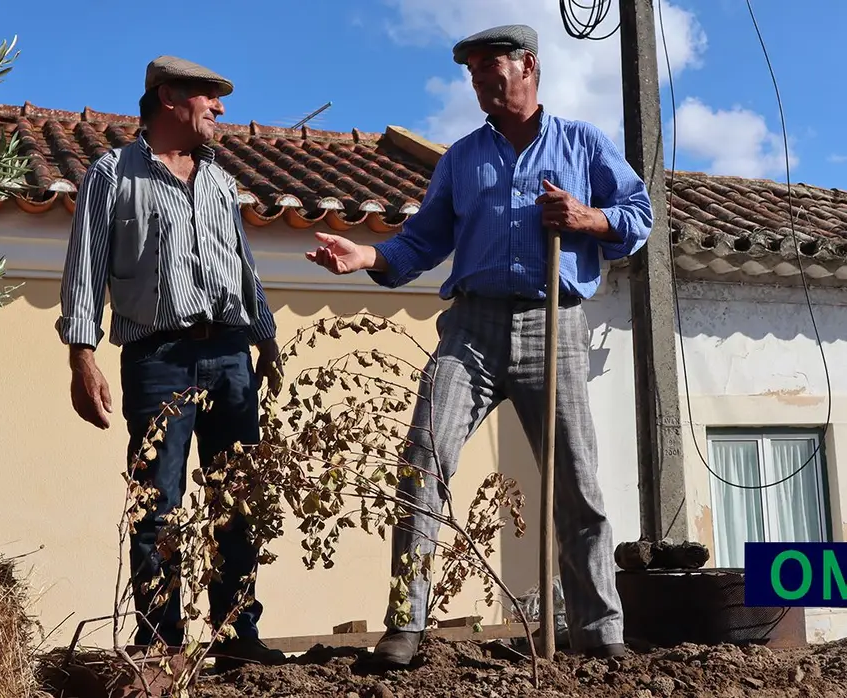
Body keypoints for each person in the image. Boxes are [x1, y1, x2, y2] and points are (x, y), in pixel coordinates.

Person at [305, 24, 653, 666]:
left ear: (529, 68)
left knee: (577, 482)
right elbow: (421, 241)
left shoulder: (583, 143)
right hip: (472, 329)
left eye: (492, 69)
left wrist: (587, 219)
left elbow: (638, 217)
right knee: (423, 459)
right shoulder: (462, 159)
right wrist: (368, 256)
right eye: (472, 74)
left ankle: (601, 633)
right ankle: (405, 627)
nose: (481, 83)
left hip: (556, 322)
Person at [56, 55, 285, 671]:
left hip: (230, 353)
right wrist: (83, 356)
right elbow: (85, 270)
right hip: (158, 358)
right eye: (210, 97)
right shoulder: (111, 176)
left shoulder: (218, 180)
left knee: (237, 496)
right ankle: (161, 644)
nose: (220, 108)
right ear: (168, 99)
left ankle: (237, 636)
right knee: (157, 501)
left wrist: (264, 339)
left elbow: (244, 268)